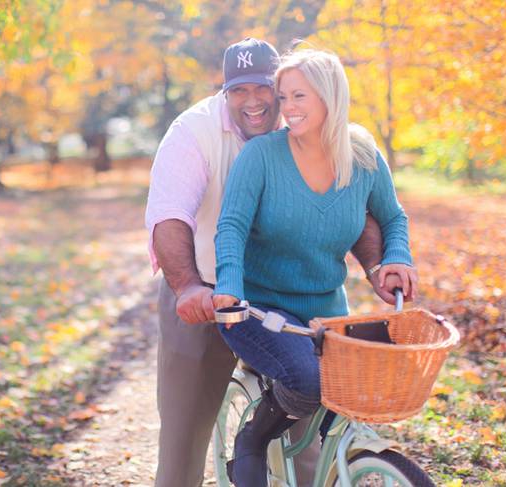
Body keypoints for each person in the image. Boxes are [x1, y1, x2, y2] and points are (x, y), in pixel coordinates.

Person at [145, 38, 398, 487]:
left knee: (307, 440)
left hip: (287, 302)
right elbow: (170, 216)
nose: (256, 101)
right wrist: (187, 286)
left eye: (265, 88)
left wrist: (379, 267)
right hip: (203, 289)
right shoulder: (194, 132)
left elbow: (353, 211)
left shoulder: (315, 136)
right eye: (239, 90)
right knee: (185, 441)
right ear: (224, 92)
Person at [212, 48, 418, 487]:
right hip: (256, 308)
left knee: (358, 388)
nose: (287, 108)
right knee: (308, 380)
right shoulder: (263, 156)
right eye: (284, 97)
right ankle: (253, 439)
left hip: (326, 310)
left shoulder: (362, 156)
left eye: (299, 96)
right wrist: (227, 285)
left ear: (330, 97)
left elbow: (393, 217)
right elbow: (231, 225)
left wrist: (396, 259)